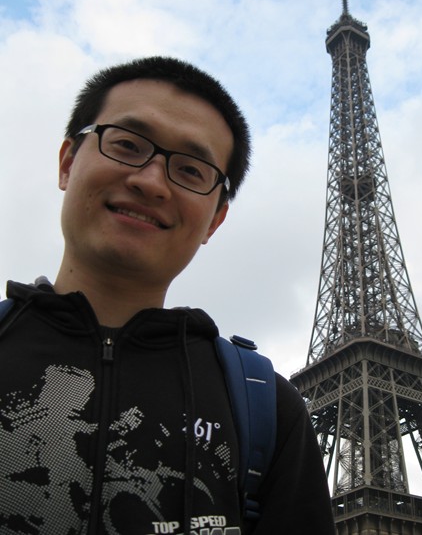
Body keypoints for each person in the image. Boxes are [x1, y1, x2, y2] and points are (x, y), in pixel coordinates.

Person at [0, 57, 335, 535]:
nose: (151, 182)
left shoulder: (269, 411)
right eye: (127, 144)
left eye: (192, 170)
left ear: (215, 220)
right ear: (68, 163)